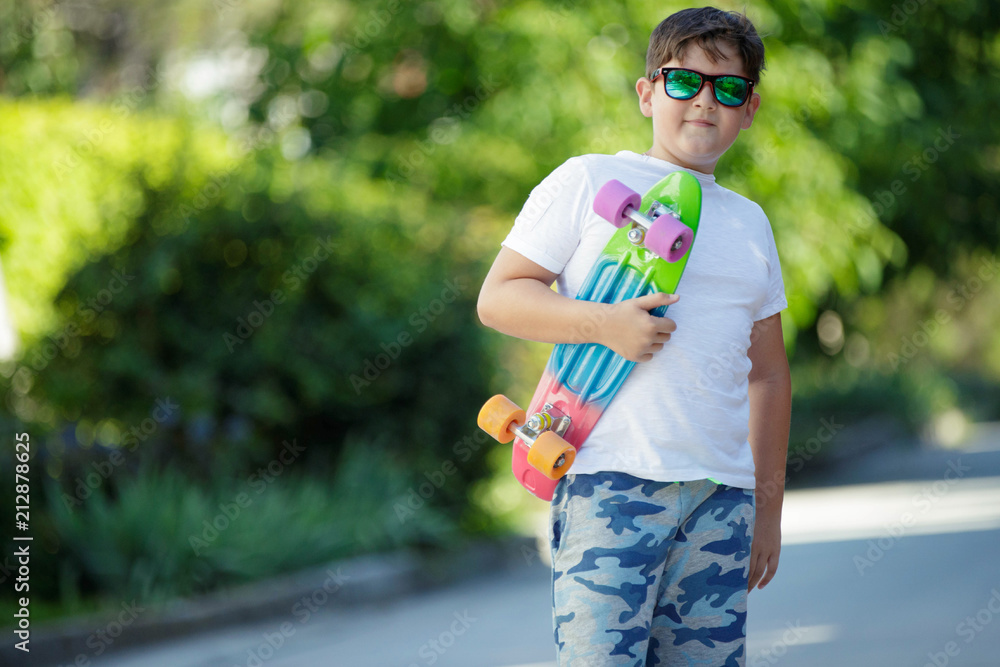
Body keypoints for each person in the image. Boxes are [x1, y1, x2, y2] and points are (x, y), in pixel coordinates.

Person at [477, 6, 791, 665]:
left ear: (750, 109)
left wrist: (767, 508)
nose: (704, 100)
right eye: (684, 80)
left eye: (728, 87)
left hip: (720, 499)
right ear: (648, 93)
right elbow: (499, 297)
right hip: (608, 482)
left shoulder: (751, 224)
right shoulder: (588, 180)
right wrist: (605, 325)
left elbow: (767, 373)